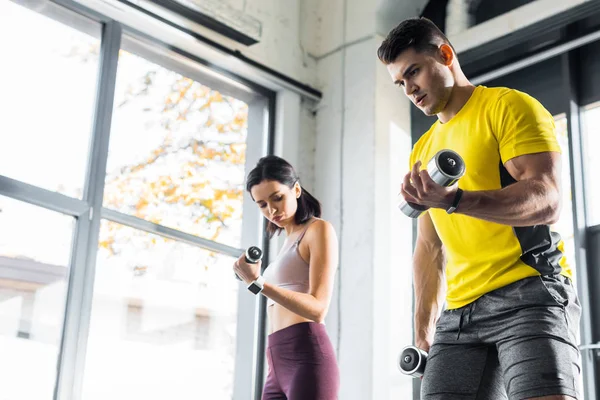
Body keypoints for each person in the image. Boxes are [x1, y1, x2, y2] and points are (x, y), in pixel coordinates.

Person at [377, 17, 581, 400]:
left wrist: (455, 199)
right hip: (459, 314)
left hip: (529, 293)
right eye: (400, 83)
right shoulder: (422, 150)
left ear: (445, 54)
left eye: (414, 72)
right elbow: (430, 247)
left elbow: (547, 199)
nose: (410, 89)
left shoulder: (507, 107)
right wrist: (423, 327)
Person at [233, 155, 340, 400]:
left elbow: (318, 309)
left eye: (277, 198)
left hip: (307, 360)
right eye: (261, 204)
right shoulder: (285, 243)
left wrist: (257, 282)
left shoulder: (318, 230)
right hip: (276, 362)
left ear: (297, 189)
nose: (271, 210)